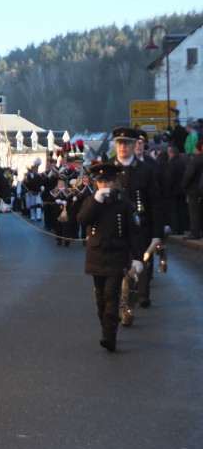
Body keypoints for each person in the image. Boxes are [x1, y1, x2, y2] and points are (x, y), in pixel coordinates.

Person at [77, 163, 144, 352]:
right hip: (96, 254)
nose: (104, 185)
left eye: (108, 181)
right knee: (100, 296)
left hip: (117, 254)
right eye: (101, 181)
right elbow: (82, 220)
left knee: (111, 295)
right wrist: (95, 201)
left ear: (115, 182)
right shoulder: (91, 201)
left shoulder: (124, 204)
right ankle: (105, 326)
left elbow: (135, 233)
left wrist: (137, 258)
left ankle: (109, 334)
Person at [109, 126, 163, 309]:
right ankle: (122, 294)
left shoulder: (145, 170)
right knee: (118, 263)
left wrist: (157, 232)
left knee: (142, 259)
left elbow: (155, 202)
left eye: (127, 143)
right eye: (119, 143)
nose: (123, 147)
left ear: (134, 145)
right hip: (115, 225)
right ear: (115, 145)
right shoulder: (108, 169)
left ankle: (142, 293)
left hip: (141, 225)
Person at [181, 140, 203, 240]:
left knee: (194, 213)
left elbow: (188, 175)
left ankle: (195, 233)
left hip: (194, 190)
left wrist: (183, 186)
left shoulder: (195, 160)